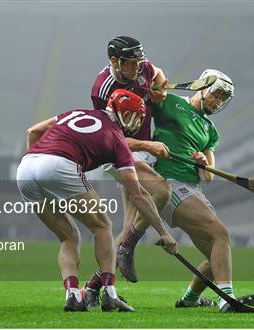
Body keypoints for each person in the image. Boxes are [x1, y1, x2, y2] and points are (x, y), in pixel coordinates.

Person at [16, 89, 178, 312]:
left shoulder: (76, 113)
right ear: (123, 113)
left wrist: (36, 163)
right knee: (103, 227)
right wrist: (164, 233)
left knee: (69, 237)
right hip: (60, 165)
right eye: (135, 116)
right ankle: (110, 294)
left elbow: (32, 131)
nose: (137, 122)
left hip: (26, 168)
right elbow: (139, 194)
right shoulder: (118, 140)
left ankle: (73, 295)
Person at [118, 69, 254, 312]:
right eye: (217, 94)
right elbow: (152, 85)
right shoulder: (171, 103)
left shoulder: (210, 129)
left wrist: (204, 162)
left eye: (223, 99)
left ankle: (190, 299)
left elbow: (209, 176)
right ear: (203, 88)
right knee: (221, 235)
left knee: (217, 257)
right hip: (169, 183)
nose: (218, 102)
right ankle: (227, 299)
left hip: (194, 188)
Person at [83, 36, 173, 303]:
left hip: (143, 147)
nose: (137, 68)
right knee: (160, 192)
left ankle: (91, 288)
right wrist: (149, 144)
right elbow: (111, 136)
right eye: (131, 64)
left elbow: (158, 75)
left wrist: (161, 90)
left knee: (128, 225)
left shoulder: (143, 67)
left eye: (138, 62)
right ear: (114, 61)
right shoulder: (102, 89)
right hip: (119, 152)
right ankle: (128, 246)